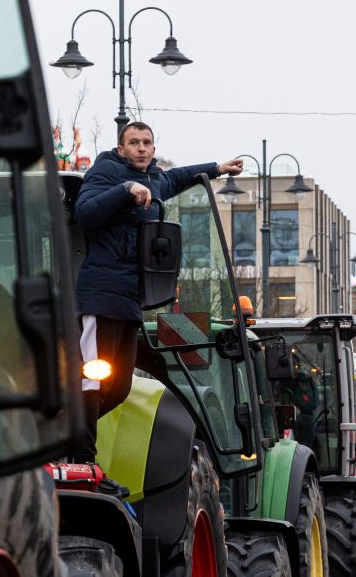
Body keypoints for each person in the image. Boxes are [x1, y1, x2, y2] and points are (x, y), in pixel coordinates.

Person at [70, 121, 243, 471]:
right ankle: (83, 459)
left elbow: (178, 176)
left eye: (147, 143)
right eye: (134, 142)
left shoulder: (156, 178)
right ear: (121, 149)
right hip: (97, 296)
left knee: (117, 388)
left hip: (129, 301)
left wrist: (216, 169)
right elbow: (84, 214)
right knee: (91, 376)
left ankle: (61, 433)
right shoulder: (105, 172)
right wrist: (125, 189)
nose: (142, 148)